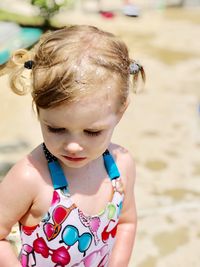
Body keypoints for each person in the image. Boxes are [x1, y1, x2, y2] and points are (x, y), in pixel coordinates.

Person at [0, 25, 145, 267]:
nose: (74, 146)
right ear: (39, 110)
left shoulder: (121, 167)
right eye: (56, 129)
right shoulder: (31, 177)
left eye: (92, 131)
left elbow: (126, 222)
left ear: (121, 111)